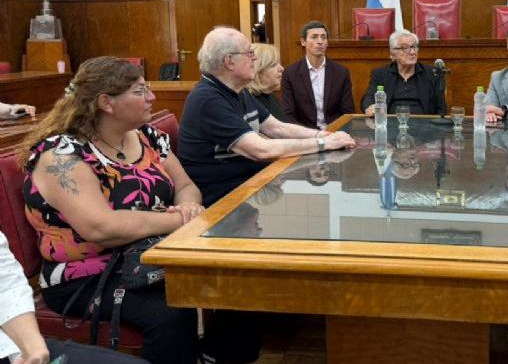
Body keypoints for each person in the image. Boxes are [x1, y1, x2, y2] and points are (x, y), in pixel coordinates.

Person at [18, 57, 202, 364]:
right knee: (171, 311)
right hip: (86, 274)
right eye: (140, 90)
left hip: (148, 254)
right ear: (106, 102)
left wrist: (189, 206)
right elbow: (100, 228)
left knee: (218, 280)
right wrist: (176, 221)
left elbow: (185, 185)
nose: (151, 97)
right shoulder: (61, 155)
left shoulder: (147, 137)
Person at [178, 26, 355, 208]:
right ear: (229, 61)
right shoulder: (207, 99)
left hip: (251, 185)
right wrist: (324, 144)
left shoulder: (239, 91)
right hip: (225, 199)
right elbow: (261, 150)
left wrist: (321, 136)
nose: (255, 58)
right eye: (249, 53)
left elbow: (277, 128)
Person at [0, 229, 150, 364]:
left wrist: (31, 347)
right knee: (161, 314)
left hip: (10, 349)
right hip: (73, 278)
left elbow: (6, 283)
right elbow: (100, 227)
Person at [280, 21, 355, 129]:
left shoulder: (341, 72)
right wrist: (308, 134)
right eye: (314, 37)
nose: (320, 41)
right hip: (303, 133)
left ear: (327, 43)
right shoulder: (290, 73)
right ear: (303, 41)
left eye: (323, 38)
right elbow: (288, 114)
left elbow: (347, 112)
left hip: (334, 131)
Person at [361, 29, 446, 116]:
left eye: (414, 47)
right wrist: (370, 106)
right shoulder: (380, 74)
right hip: (390, 124)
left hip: (423, 124)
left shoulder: (432, 73)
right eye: (404, 48)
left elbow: (441, 109)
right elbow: (369, 97)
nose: (412, 52)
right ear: (393, 53)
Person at [247, 43, 289, 122]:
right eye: (273, 65)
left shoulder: (270, 95)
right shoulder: (249, 101)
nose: (281, 68)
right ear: (258, 70)